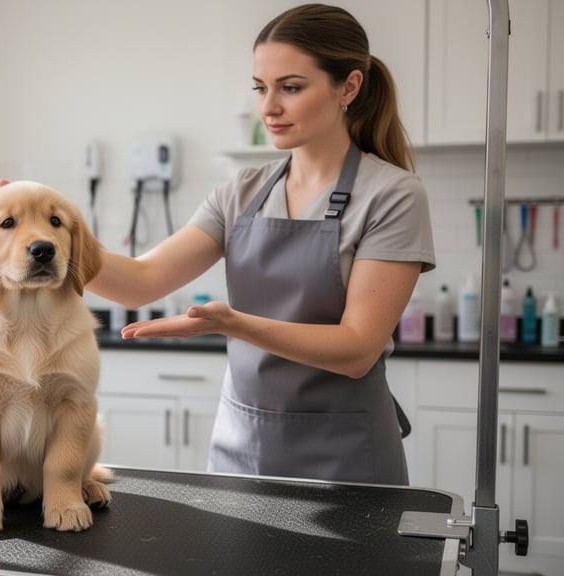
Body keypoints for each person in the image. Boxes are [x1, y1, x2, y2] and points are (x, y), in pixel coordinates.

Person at [89, 4, 435, 486]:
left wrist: (233, 323)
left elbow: (358, 349)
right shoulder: (240, 193)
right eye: (260, 87)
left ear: (349, 88)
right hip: (242, 445)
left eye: (290, 88)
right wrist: (45, 233)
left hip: (346, 459)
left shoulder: (392, 195)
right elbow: (139, 282)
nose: (268, 106)